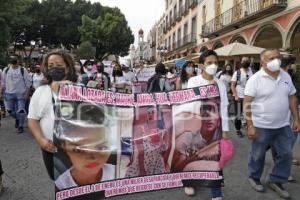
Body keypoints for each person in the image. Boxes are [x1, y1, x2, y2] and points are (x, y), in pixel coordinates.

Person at [244, 49, 300, 199]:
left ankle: (276, 180)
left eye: (278, 57)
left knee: (286, 155)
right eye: (271, 58)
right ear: (262, 62)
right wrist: (250, 125)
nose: (276, 60)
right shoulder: (255, 79)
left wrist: (296, 118)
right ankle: (254, 177)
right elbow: (247, 103)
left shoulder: (286, 76)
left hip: (282, 125)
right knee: (258, 154)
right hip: (261, 125)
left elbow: (292, 97)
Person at [186, 50, 229, 200]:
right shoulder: (194, 81)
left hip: (215, 127)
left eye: (216, 63)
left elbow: (224, 106)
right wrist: (208, 89)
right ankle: (190, 182)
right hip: (196, 125)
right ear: (201, 65)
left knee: (214, 158)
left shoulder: (221, 84)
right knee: (193, 156)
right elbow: (191, 103)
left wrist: (225, 130)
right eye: (209, 63)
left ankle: (216, 192)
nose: (213, 66)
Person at [28, 49, 77, 180]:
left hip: (77, 149)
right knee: (57, 179)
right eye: (51, 66)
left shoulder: (80, 89)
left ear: (68, 67)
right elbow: (32, 120)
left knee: (78, 182)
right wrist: (41, 140)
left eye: (59, 65)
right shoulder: (40, 91)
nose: (55, 68)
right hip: (51, 149)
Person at [54, 105, 115, 190]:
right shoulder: (61, 187)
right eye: (79, 150)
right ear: (65, 148)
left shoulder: (118, 173)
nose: (92, 157)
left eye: (102, 147)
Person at [0, 56, 32, 133]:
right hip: (9, 94)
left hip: (21, 93)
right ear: (10, 63)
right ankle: (17, 119)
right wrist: (1, 93)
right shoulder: (6, 70)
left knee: (21, 110)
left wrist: (27, 94)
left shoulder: (22, 70)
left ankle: (21, 125)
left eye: (15, 63)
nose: (14, 65)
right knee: (10, 111)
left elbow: (28, 83)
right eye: (12, 63)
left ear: (18, 62)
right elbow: (3, 83)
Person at [231, 57, 253, 137]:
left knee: (249, 114)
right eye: (243, 60)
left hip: (250, 97)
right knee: (239, 115)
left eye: (247, 60)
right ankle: (238, 129)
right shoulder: (237, 72)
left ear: (249, 62)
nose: (245, 62)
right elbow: (233, 85)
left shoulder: (252, 72)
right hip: (239, 97)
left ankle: (249, 128)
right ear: (241, 62)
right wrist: (235, 95)